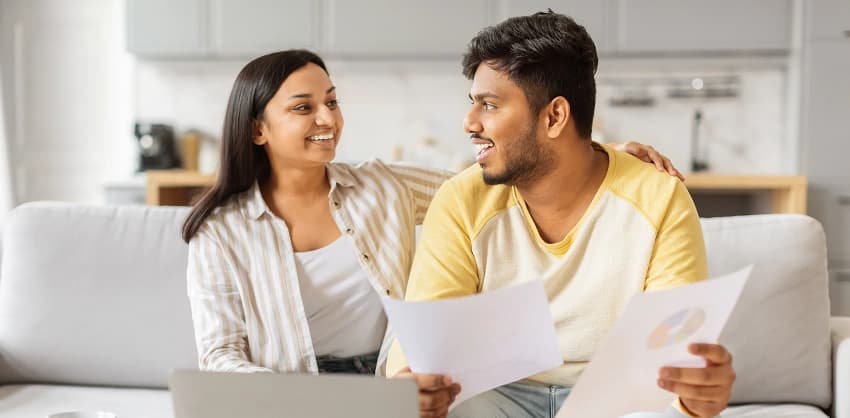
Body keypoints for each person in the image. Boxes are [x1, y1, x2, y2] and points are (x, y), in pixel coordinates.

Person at [182, 49, 684, 418]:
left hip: (392, 387)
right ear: (256, 130)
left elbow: (498, 184)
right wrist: (313, 402)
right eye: (303, 108)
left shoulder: (380, 187)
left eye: (332, 102)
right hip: (296, 396)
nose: (328, 119)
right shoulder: (220, 232)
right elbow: (221, 355)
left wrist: (595, 154)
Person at [386, 11, 735, 418]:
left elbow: (673, 361)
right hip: (495, 396)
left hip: (612, 397)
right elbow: (426, 352)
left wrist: (695, 396)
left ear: (554, 117)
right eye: (473, 104)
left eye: (490, 105)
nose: (469, 123)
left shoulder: (658, 198)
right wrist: (411, 391)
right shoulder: (461, 201)